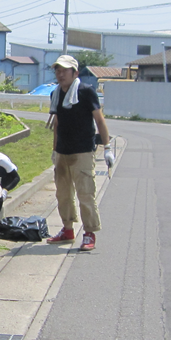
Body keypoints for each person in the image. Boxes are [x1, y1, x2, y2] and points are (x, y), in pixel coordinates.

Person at [47, 55, 114, 251]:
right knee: (63, 194)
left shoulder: (86, 92)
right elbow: (57, 123)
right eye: (57, 70)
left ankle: (89, 233)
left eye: (64, 70)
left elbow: (99, 121)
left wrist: (107, 148)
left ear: (75, 73)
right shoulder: (56, 94)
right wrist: (54, 149)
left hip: (83, 151)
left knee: (86, 194)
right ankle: (67, 230)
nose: (60, 74)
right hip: (62, 151)